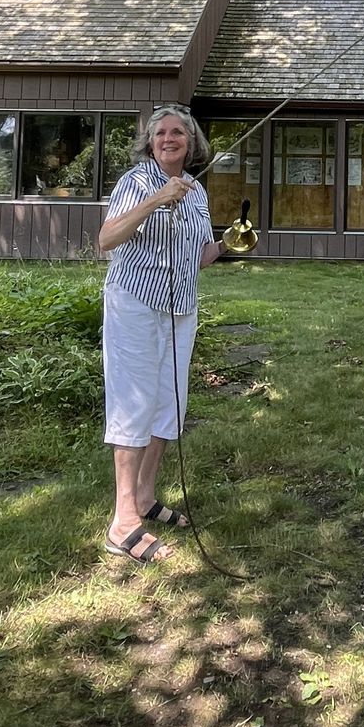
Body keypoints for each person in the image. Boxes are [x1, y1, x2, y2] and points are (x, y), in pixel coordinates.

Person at [97, 103, 226, 563]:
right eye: (161, 134)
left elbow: (198, 256)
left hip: (179, 308)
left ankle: (146, 497)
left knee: (168, 404)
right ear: (150, 143)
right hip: (134, 304)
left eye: (178, 133)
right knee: (133, 403)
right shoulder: (135, 182)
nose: (169, 139)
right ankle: (122, 522)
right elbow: (107, 239)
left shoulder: (196, 192)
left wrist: (230, 243)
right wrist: (155, 200)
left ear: (191, 143)